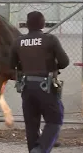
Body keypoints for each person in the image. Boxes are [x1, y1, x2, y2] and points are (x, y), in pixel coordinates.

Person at [9, 11, 69, 153]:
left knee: (31, 125)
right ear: (42, 24)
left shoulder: (18, 42)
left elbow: (11, 64)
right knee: (55, 120)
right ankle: (41, 149)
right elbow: (64, 62)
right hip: (46, 87)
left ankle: (34, 150)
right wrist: (53, 65)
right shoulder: (50, 40)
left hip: (27, 87)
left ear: (27, 25)